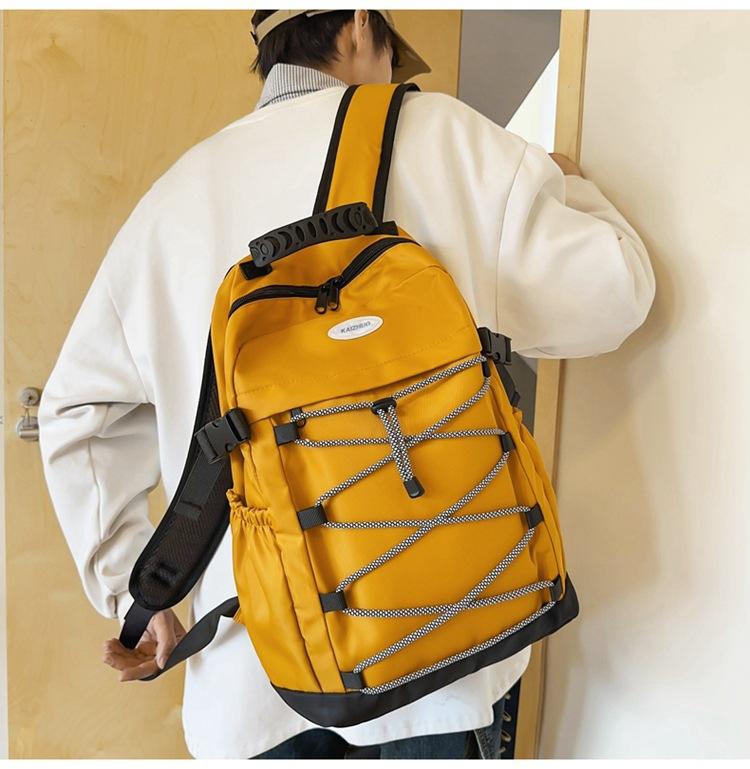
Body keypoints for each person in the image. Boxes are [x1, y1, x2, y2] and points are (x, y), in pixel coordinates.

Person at [38, 9, 656, 760]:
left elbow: (77, 413)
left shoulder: (171, 200)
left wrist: (136, 589)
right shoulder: (446, 137)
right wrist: (567, 183)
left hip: (252, 671)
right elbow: (614, 293)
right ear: (362, 25)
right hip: (437, 655)